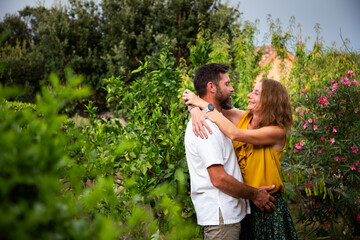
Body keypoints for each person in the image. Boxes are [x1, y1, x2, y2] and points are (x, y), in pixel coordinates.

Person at [183, 73, 298, 239]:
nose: (249, 95)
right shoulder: (243, 118)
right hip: (245, 203)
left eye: (256, 93)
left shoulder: (276, 131)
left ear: (270, 100)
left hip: (267, 205)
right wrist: (194, 110)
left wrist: (199, 104)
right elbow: (209, 106)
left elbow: (234, 134)